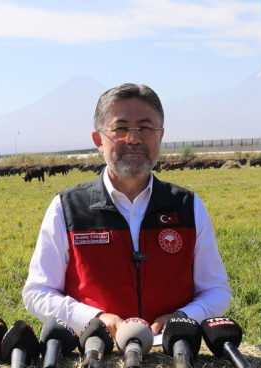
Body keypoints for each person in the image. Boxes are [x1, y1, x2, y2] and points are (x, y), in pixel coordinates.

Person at [22, 83, 231, 337]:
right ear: (99, 140)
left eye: (145, 127)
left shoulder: (188, 206)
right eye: (120, 128)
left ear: (160, 136)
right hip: (94, 353)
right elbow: (37, 292)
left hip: (174, 351)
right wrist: (93, 318)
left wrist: (184, 318)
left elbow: (217, 291)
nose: (133, 138)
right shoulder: (67, 208)